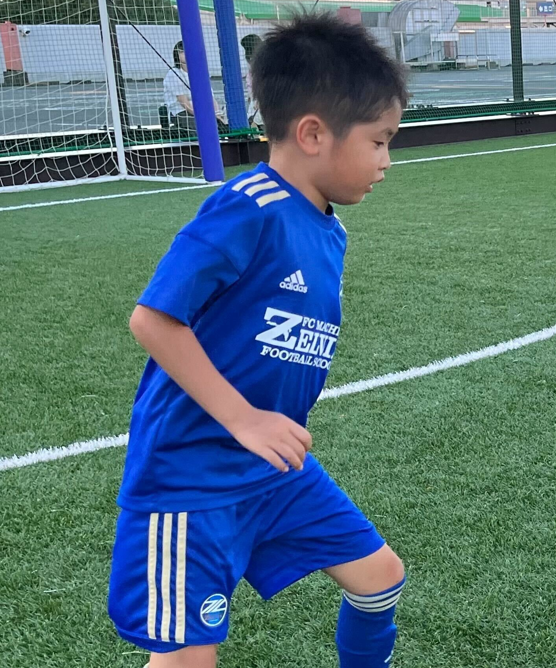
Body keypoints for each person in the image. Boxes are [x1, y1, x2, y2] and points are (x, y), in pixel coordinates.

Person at [109, 14, 408, 668]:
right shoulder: (248, 206)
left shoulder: (327, 227)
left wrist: (259, 429)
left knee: (379, 577)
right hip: (192, 476)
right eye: (379, 141)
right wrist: (244, 417)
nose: (387, 161)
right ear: (313, 134)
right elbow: (153, 319)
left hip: (271, 471)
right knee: (187, 660)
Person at [163, 41, 227, 130]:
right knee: (200, 125)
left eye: (187, 51)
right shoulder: (173, 74)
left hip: (202, 110)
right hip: (181, 112)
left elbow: (210, 98)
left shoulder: (200, 72)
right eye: (181, 52)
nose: (185, 54)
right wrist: (203, 115)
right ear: (176, 55)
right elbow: (183, 102)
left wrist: (217, 113)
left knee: (221, 125)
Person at [241, 33, 264, 127]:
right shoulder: (253, 61)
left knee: (256, 122)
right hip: (255, 97)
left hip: (261, 98)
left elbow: (262, 82)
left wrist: (259, 99)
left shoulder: (260, 62)